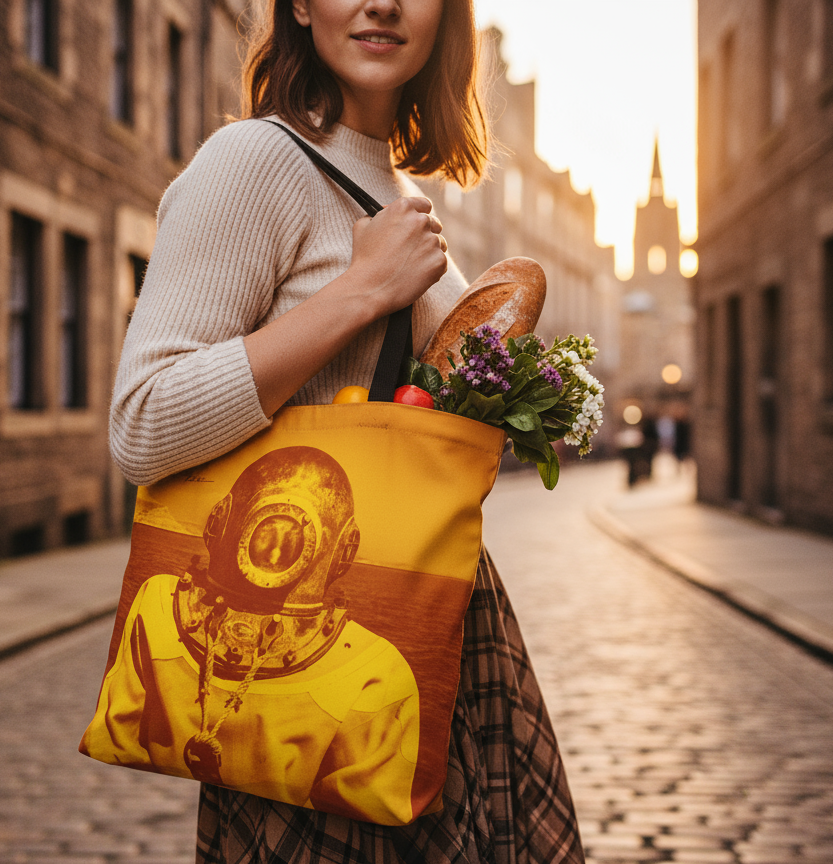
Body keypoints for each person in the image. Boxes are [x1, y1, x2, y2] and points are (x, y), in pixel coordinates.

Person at [109, 0, 585, 859]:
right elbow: (144, 420)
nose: (382, 2)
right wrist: (360, 294)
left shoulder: (403, 191)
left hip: (434, 640)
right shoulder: (251, 162)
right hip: (307, 676)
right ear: (297, 4)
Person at [82, 447, 422, 826]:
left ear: (218, 522)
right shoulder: (375, 669)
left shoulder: (158, 608)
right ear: (344, 551)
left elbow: (118, 736)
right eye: (266, 535)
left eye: (289, 539)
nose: (276, 551)